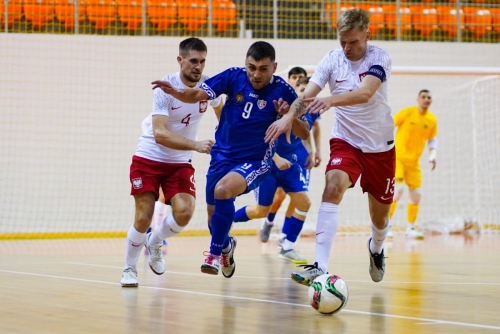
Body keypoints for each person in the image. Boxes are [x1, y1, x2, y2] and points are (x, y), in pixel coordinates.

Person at [152, 41, 309, 277]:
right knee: (213, 221)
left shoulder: (284, 91)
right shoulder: (233, 77)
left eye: (263, 69)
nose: (256, 74)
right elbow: (197, 93)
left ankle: (214, 254)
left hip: (256, 160)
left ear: (274, 67)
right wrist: (176, 92)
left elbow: (304, 132)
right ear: (245, 63)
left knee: (224, 190)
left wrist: (289, 117)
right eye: (251, 67)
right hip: (221, 157)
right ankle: (226, 246)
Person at [265, 8, 395, 286]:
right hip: (346, 141)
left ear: (367, 36)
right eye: (342, 42)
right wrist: (289, 116)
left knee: (380, 217)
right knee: (332, 186)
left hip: (380, 148)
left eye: (353, 42)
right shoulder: (332, 59)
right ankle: (319, 266)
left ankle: (376, 248)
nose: (347, 48)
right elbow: (306, 96)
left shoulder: (379, 57)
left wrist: (331, 100)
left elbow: (366, 92)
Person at [121, 37, 223, 287]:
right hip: (149, 158)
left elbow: (223, 116)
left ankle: (155, 242)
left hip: (179, 162)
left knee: (185, 212)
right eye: (193, 61)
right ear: (180, 60)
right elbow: (160, 134)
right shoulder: (165, 89)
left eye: (202, 61)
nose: (198, 67)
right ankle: (129, 268)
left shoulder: (209, 87)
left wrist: (226, 141)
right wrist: (195, 145)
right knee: (143, 216)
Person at [232, 81, 315, 264]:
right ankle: (225, 219)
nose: (308, 96)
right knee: (261, 211)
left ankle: (288, 247)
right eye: (304, 92)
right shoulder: (275, 105)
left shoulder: (308, 113)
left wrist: (291, 117)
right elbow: (258, 136)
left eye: (311, 93)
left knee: (304, 203)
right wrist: (276, 158)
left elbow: (305, 134)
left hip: (291, 166)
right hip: (267, 164)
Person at [260, 76, 322, 248]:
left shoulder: (314, 109)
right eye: (303, 90)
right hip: (285, 154)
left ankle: (286, 238)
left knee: (298, 199)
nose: (307, 95)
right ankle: (269, 220)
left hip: (302, 157)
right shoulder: (287, 106)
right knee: (279, 195)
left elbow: (312, 131)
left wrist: (315, 151)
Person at [387, 89, 438, 239]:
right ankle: (386, 226)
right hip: (399, 158)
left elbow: (432, 139)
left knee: (416, 196)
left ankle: (410, 228)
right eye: (423, 97)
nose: (426, 99)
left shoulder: (431, 120)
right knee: (398, 191)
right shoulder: (407, 113)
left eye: (429, 97)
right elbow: (390, 124)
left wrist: (433, 155)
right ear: (418, 99)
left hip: (414, 162)